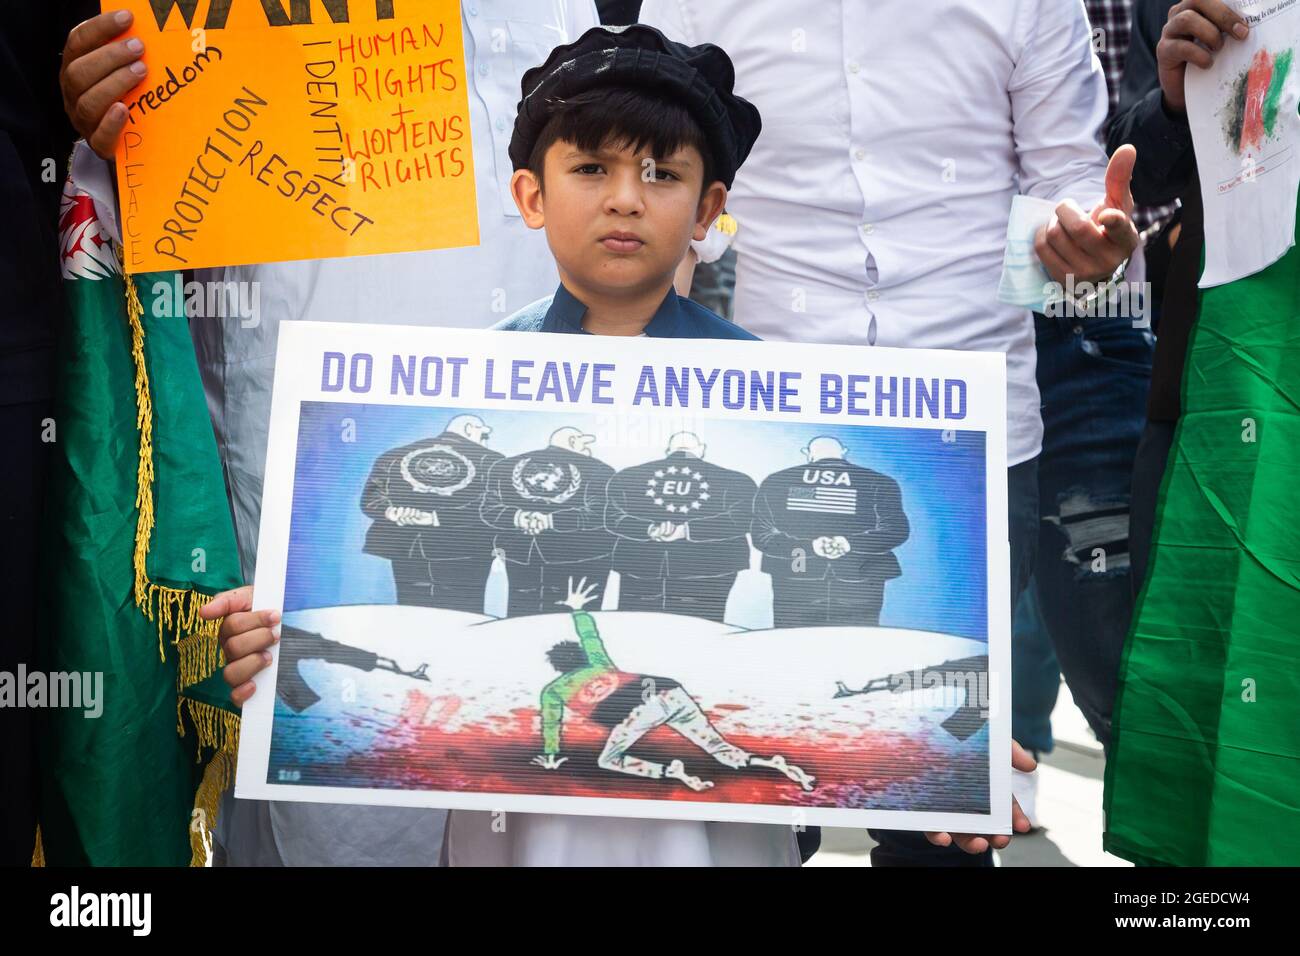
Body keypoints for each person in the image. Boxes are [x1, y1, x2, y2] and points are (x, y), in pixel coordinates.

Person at [217, 21, 1035, 866]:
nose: (625, 197)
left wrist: (958, 762)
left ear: (709, 209)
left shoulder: (775, 392)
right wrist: (275, 645)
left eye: (662, 173)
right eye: (590, 168)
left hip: (718, 824)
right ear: (530, 196)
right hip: (513, 820)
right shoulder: (459, 382)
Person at [61, 1, 603, 865]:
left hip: (561, 422)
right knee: (342, 772)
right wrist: (108, 106)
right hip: (308, 440)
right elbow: (139, 159)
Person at [638, 0, 1129, 866]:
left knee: (939, 782)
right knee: (757, 749)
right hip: (768, 417)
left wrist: (1082, 241)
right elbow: (667, 190)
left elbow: (1066, 190)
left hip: (969, 436)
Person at [536, 577, 814, 791]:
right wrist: (578, 609)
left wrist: (550, 755)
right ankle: (765, 762)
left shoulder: (553, 691)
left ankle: (670, 771)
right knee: (719, 748)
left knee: (607, 760)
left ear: (558, 667)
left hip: (637, 713)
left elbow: (551, 724)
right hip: (671, 692)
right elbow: (590, 636)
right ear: (580, 656)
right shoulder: (597, 661)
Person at [752, 436, 909, 628]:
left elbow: (762, 535)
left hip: (795, 573)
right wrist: (847, 543)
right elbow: (896, 530)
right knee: (858, 643)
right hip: (862, 576)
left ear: (808, 453)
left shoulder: (778, 480)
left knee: (791, 641)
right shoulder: (879, 481)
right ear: (843, 451)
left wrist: (810, 547)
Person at [604, 430, 755, 622]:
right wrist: (685, 531)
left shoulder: (628, 476)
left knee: (638, 625)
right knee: (699, 628)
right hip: (709, 570)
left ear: (668, 450)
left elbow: (613, 518)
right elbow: (742, 519)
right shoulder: (736, 480)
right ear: (701, 450)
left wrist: (650, 529)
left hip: (640, 567)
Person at [360, 414, 502, 612]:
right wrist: (435, 518)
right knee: (464, 614)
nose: (485, 441)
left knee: (413, 611)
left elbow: (371, 498)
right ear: (470, 429)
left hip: (406, 548)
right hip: (465, 550)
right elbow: (489, 508)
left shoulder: (395, 454)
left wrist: (393, 513)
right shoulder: (493, 461)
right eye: (483, 435)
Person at [481, 426, 617, 616]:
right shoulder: (599, 469)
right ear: (572, 441)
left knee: (522, 617)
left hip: (521, 554)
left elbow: (488, 510)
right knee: (575, 618)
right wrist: (550, 520)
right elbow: (600, 513)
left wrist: (521, 518)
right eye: (584, 443)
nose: (588, 449)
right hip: (580, 556)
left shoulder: (504, 466)